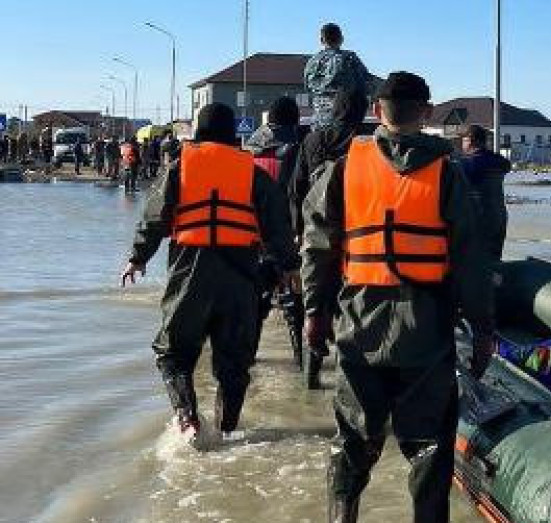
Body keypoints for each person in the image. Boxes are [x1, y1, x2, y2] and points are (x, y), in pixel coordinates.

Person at [302, 71, 494, 523]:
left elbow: (317, 249)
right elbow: (472, 262)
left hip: (357, 325)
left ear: (376, 108)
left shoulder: (343, 169)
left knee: (352, 440)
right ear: (426, 113)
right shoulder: (448, 175)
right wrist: (484, 329)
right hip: (425, 329)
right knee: (429, 446)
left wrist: (313, 315)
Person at [120, 103, 299, 446]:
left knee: (172, 353)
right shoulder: (252, 173)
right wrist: (289, 267)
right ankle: (229, 431)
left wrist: (138, 258)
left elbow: (154, 219)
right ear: (233, 134)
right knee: (234, 365)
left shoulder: (178, 168)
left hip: (190, 272)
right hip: (240, 275)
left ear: (199, 133)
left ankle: (188, 420)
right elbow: (278, 226)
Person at [290, 88, 369, 389]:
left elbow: (296, 191)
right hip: (357, 239)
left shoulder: (312, 141)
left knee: (316, 304)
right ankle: (345, 381)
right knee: (348, 312)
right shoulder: (367, 145)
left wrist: (298, 232)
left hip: (317, 234)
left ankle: (311, 377)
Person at [246, 96, 304, 364]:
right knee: (293, 298)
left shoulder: (248, 149)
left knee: (256, 302)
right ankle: (299, 360)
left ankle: (249, 356)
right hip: (287, 234)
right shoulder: (297, 149)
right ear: (295, 120)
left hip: (250, 236)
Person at [459, 124, 512, 264]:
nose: (461, 144)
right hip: (499, 217)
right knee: (494, 259)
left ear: (470, 141)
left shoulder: (466, 164)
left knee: (474, 262)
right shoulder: (500, 161)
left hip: (478, 219)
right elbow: (507, 165)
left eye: (463, 140)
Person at [304, 23, 372, 129]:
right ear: (341, 39)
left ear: (321, 40)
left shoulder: (312, 62)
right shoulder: (349, 59)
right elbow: (365, 85)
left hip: (318, 124)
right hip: (343, 124)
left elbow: (308, 88)